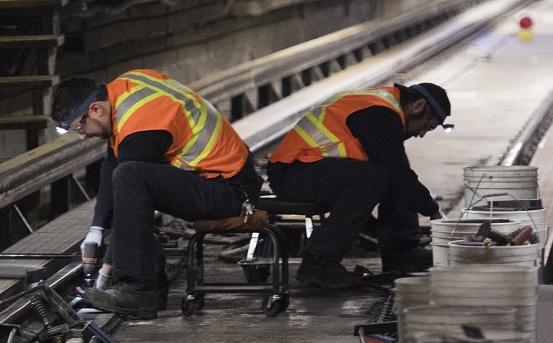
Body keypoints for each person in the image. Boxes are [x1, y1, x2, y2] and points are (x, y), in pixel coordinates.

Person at [51, 69, 263, 318]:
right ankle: (149, 281)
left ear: (95, 109)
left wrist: (105, 272)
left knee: (132, 178)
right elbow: (113, 163)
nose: (82, 136)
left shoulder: (144, 123)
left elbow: (125, 194)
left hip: (230, 193)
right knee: (127, 175)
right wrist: (96, 229)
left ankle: (140, 289)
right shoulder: (125, 91)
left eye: (80, 127)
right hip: (218, 181)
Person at [266, 81, 452, 288]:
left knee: (391, 172)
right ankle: (319, 262)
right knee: (379, 175)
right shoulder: (379, 113)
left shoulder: (383, 108)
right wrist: (435, 212)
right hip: (292, 173)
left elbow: (399, 174)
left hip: (308, 171)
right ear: (418, 106)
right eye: (428, 125)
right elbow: (398, 174)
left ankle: (402, 255)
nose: (422, 134)